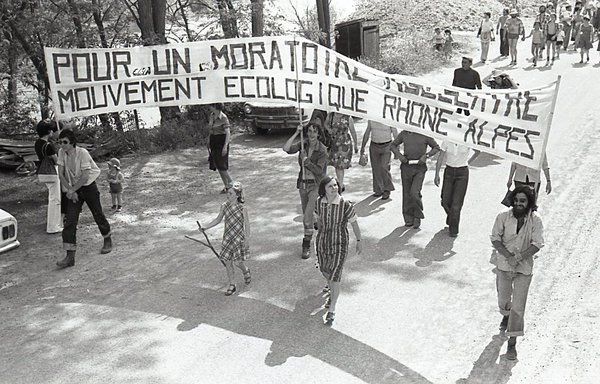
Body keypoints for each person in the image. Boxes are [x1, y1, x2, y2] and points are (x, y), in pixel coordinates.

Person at [490, 185, 544, 360]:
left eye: (523, 201)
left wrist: (519, 257)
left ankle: (512, 343)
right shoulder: (503, 217)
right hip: (504, 266)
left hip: (524, 269)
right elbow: (495, 239)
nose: (519, 204)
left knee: (518, 307)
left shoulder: (536, 221)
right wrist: (508, 256)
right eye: (516, 200)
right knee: (503, 299)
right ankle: (506, 316)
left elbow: (537, 244)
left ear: (529, 203)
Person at [56, 129, 112, 269]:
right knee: (70, 220)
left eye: (65, 142)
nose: (62, 145)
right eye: (60, 142)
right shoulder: (61, 153)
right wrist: (70, 190)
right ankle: (70, 256)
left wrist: (73, 190)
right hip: (73, 188)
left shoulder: (82, 153)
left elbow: (86, 176)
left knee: (97, 213)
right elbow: (61, 175)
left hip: (88, 186)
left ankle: (107, 239)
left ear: (72, 142)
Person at [315, 176, 362, 326]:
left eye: (335, 185)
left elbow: (354, 223)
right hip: (323, 242)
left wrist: (359, 240)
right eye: (330, 186)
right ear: (324, 189)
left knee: (335, 276)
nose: (334, 188)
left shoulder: (345, 204)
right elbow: (318, 219)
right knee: (325, 270)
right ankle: (330, 287)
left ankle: (332, 309)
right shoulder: (318, 202)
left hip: (339, 244)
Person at [283, 123, 328, 259]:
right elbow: (286, 148)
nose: (311, 134)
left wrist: (306, 161)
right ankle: (322, 227)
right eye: (309, 131)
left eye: (314, 132)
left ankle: (306, 243)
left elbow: (320, 171)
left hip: (315, 185)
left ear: (319, 134)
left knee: (306, 217)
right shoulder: (304, 144)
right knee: (308, 212)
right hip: (302, 184)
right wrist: (297, 133)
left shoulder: (322, 150)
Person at [199, 181, 251, 296]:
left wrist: (247, 239)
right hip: (228, 238)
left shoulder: (242, 208)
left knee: (238, 262)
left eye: (231, 194)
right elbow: (217, 220)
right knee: (228, 262)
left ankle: (245, 270)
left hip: (238, 239)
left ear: (237, 195)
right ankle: (232, 284)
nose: (228, 196)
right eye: (228, 193)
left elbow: (247, 225)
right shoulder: (224, 206)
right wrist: (205, 227)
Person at [391, 131, 440, 229]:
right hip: (406, 166)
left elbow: (436, 147)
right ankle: (408, 217)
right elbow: (392, 145)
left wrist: (426, 156)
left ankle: (417, 216)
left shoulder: (424, 133)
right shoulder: (404, 133)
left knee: (414, 192)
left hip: (419, 167)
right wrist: (399, 156)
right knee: (407, 193)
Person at [434, 142, 480, 237]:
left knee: (456, 204)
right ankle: (452, 217)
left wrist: (468, 162)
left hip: (462, 173)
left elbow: (478, 151)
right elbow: (440, 157)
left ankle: (453, 230)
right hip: (449, 171)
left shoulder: (467, 140)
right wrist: (437, 174)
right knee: (445, 201)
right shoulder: (446, 140)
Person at [34, 120, 62, 234]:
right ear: (49, 131)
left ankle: (54, 224)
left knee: (52, 197)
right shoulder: (48, 145)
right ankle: (53, 227)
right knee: (55, 199)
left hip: (42, 172)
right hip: (51, 172)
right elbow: (56, 160)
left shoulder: (37, 143)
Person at [359, 120, 398, 200]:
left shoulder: (389, 118)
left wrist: (397, 150)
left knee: (384, 167)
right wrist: (362, 147)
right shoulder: (371, 119)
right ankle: (379, 189)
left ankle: (387, 189)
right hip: (374, 145)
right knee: (376, 168)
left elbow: (395, 134)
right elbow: (367, 132)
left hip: (387, 145)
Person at [323, 112, 358, 192]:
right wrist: (329, 129)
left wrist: (356, 144)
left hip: (344, 145)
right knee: (336, 165)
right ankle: (340, 183)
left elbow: (353, 131)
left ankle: (340, 186)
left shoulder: (348, 117)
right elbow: (325, 124)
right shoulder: (330, 116)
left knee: (340, 166)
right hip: (333, 144)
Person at [207, 103, 233, 193]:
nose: (210, 107)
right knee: (217, 165)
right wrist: (208, 140)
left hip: (221, 141)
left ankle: (231, 184)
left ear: (216, 107)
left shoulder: (223, 117)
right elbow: (210, 129)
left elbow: (228, 133)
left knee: (222, 165)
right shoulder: (212, 116)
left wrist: (225, 146)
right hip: (213, 140)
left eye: (211, 106)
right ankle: (226, 186)